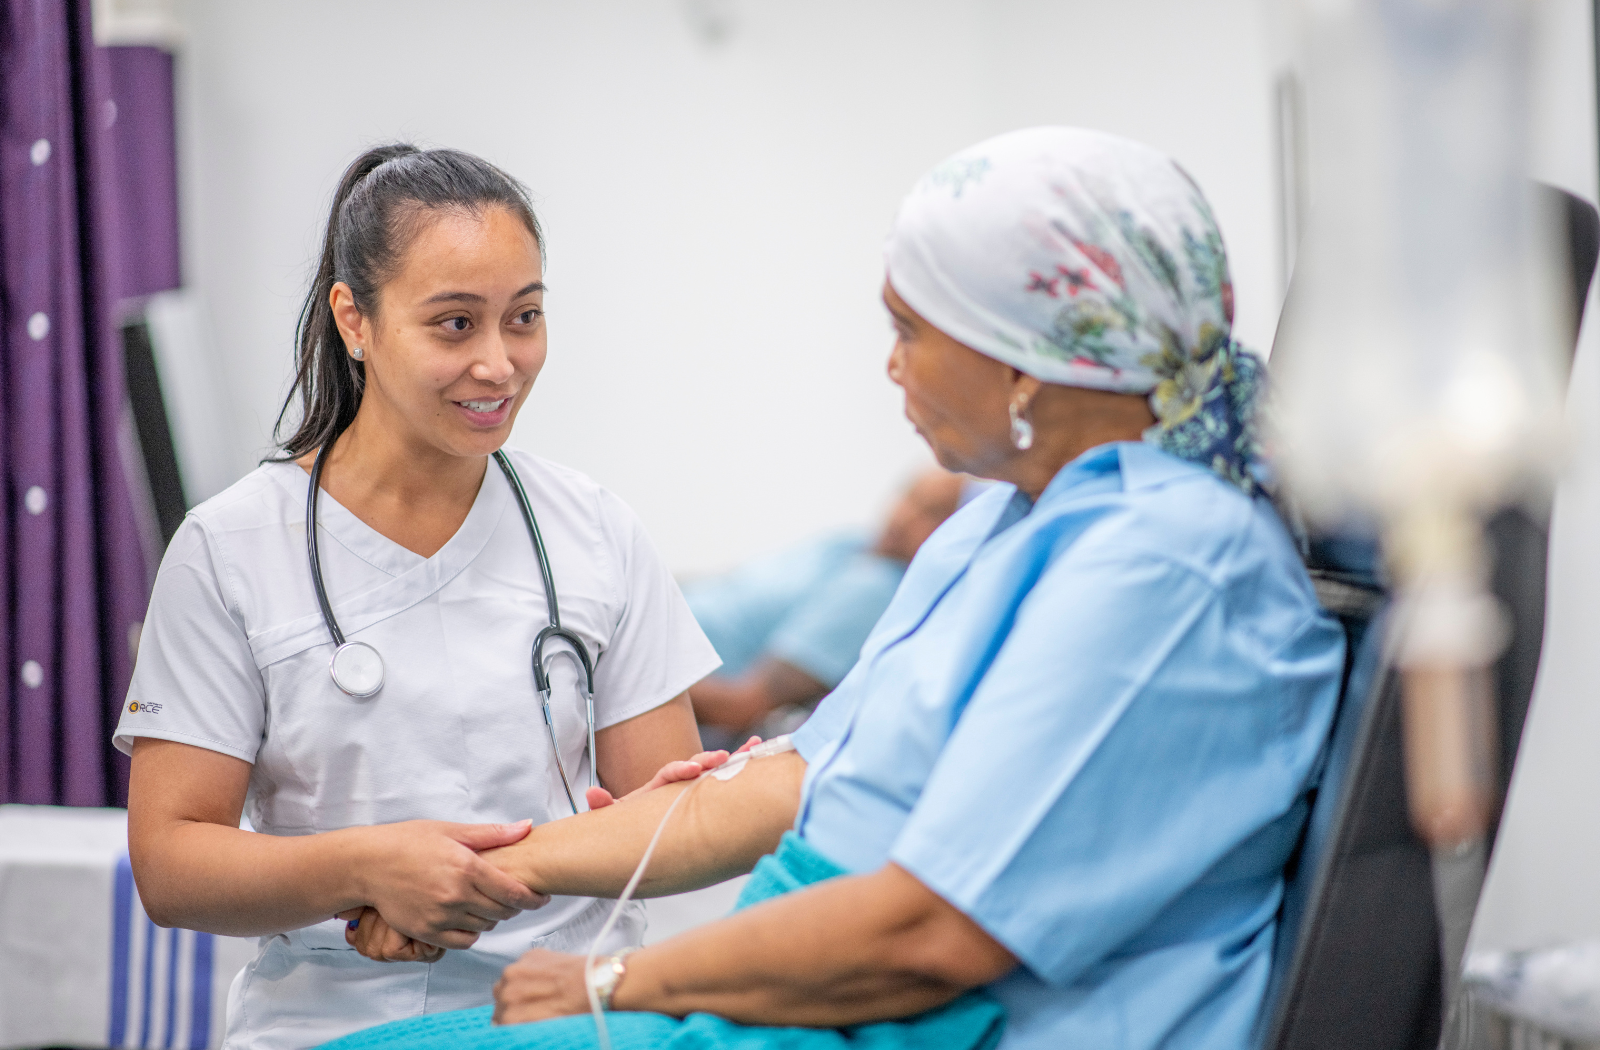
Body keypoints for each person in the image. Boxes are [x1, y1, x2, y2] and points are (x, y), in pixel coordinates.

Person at [327, 127, 1346, 1050]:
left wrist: (619, 978)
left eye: (911, 329)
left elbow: (928, 933)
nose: (892, 365)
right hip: (810, 971)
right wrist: (503, 870)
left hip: (916, 1010)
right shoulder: (1008, 515)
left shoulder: (1165, 568)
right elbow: (801, 779)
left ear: (1024, 360)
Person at [114, 145, 729, 1049]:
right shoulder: (228, 550)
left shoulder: (593, 529)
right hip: (331, 1020)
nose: (499, 364)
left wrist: (473, 877)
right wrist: (367, 868)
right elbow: (169, 864)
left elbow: (670, 828)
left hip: (568, 1011)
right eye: (454, 324)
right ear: (354, 318)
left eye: (524, 317)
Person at [685, 469, 963, 746]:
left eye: (932, 514)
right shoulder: (849, 543)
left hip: (676, 684)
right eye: (910, 498)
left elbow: (739, 707)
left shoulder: (873, 592)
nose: (906, 518)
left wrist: (651, 675)